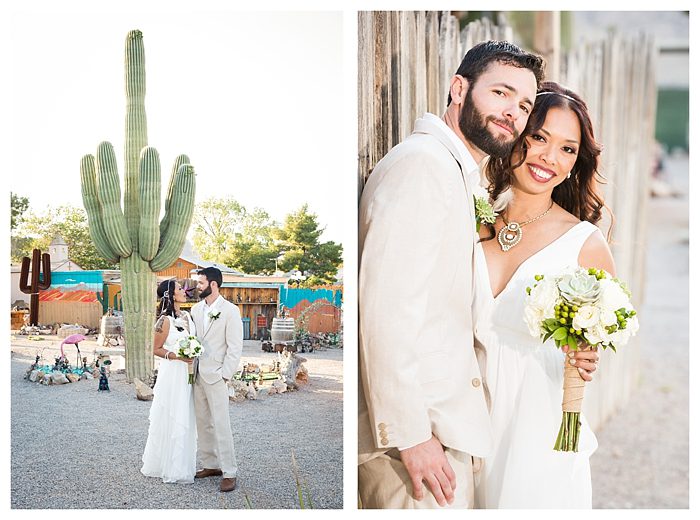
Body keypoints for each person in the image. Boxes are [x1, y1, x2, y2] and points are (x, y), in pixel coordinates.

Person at [359, 40, 580, 509]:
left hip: (448, 433)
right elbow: (386, 311)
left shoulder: (457, 174)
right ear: (459, 88)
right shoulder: (422, 166)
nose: (513, 113)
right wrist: (411, 435)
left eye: (523, 105)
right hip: (415, 448)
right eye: (500, 93)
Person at [472, 81, 612, 508]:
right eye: (539, 138)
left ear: (576, 163)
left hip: (536, 425)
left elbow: (596, 336)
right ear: (515, 134)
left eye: (568, 149)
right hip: (460, 415)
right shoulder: (469, 214)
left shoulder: (585, 244)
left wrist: (589, 353)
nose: (550, 158)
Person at [190, 266, 243, 492]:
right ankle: (210, 465)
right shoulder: (194, 309)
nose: (197, 287)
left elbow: (235, 347)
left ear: (213, 284)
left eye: (201, 283)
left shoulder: (230, 311)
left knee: (222, 424)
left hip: (217, 376)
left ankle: (229, 471)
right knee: (203, 423)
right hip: (197, 374)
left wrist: (225, 375)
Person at [141, 279, 197, 483]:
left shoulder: (188, 317)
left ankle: (183, 464)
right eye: (180, 289)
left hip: (187, 374)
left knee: (186, 415)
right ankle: (168, 466)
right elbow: (155, 349)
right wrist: (178, 357)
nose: (184, 291)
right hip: (172, 373)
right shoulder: (164, 320)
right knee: (172, 415)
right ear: (171, 294)